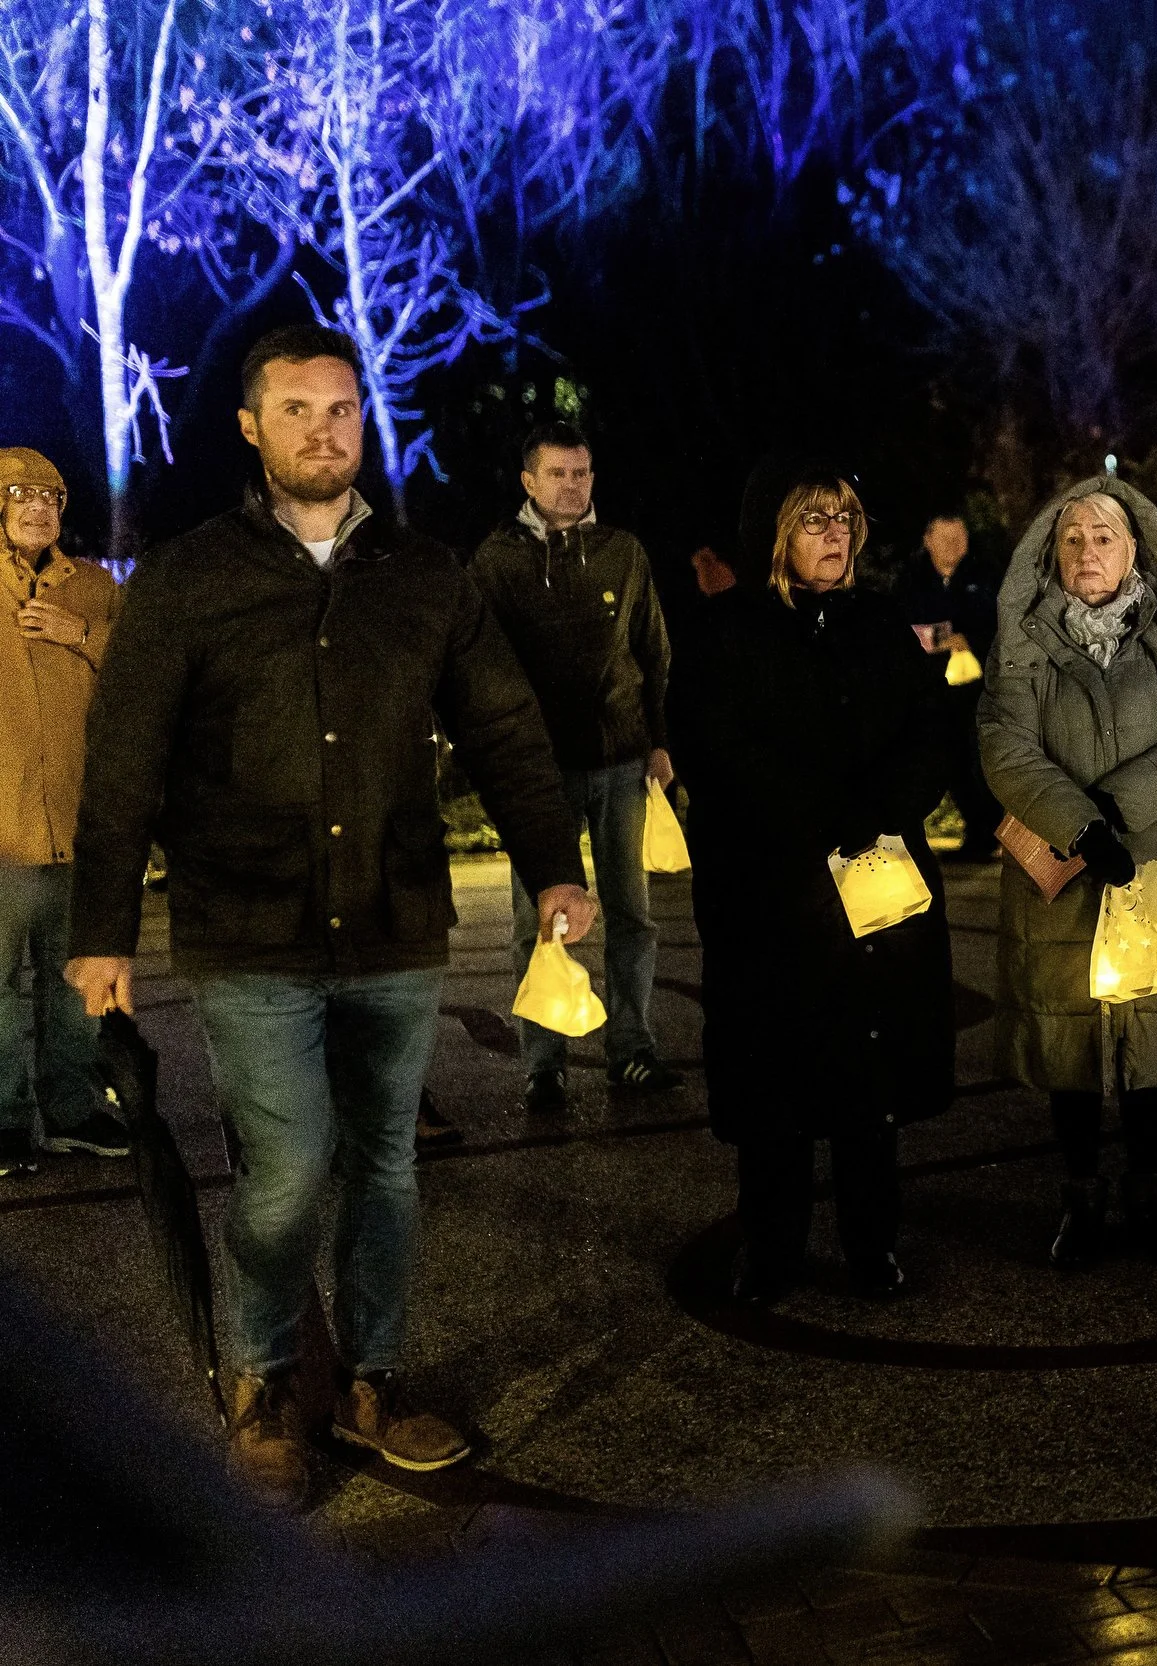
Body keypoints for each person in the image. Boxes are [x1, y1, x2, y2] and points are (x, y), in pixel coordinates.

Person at [66, 324, 594, 1510]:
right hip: (249, 930)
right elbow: (126, 757)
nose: (326, 430)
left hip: (394, 920)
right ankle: (262, 1380)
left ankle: (371, 1375)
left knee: (386, 1168)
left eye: (344, 408)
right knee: (288, 1171)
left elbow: (504, 728)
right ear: (250, 427)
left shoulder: (422, 574)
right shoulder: (194, 577)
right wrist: (99, 928)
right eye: (298, 409)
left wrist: (555, 865)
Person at [670, 462, 953, 1306]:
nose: (836, 532)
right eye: (815, 518)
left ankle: (874, 1243)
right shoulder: (725, 631)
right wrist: (826, 812)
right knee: (775, 1081)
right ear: (775, 533)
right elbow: (716, 751)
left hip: (873, 889)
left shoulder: (878, 623)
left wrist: (884, 805)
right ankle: (773, 1244)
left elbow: (930, 730)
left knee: (872, 1081)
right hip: (769, 891)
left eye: (846, 517)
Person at [979, 479, 1157, 1267]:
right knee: (1070, 1039)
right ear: (1052, 550)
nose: (1089, 551)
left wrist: (1118, 809)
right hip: (1062, 865)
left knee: (1151, 1030)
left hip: (1151, 861)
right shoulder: (1024, 637)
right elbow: (1005, 744)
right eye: (1074, 537)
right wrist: (1079, 824)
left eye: (1106, 537)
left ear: (1136, 548)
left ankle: (1147, 1193)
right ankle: (1080, 1198)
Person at [470, 422, 679, 1116]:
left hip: (620, 757)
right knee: (538, 922)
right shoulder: (497, 562)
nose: (572, 485)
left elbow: (654, 650)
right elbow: (480, 667)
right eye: (558, 473)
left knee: (631, 913)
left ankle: (634, 1051)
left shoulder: (623, 552)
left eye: (582, 473)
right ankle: (543, 1063)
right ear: (528, 481)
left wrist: (659, 738)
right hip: (538, 769)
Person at [0, 448, 127, 1178]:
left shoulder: (96, 590)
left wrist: (80, 636)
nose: (38, 509)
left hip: (79, 826)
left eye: (50, 497)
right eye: (20, 496)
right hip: (4, 831)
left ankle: (75, 1111)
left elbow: (144, 677)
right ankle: (6, 1120)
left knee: (75, 978)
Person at [895, 512, 1006, 862]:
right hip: (932, 688)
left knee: (979, 761)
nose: (953, 548)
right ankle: (973, 832)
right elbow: (900, 627)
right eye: (944, 540)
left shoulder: (983, 576)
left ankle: (987, 833)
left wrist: (968, 638)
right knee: (948, 761)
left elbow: (998, 625)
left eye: (959, 540)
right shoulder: (911, 580)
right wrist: (939, 640)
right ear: (928, 540)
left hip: (976, 688)